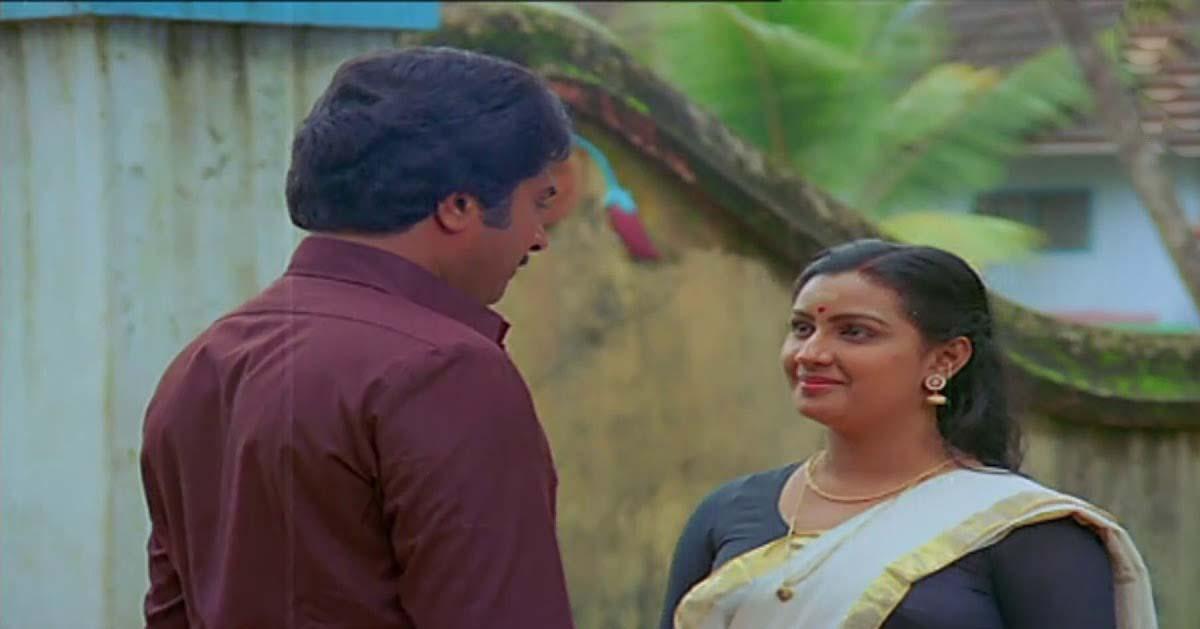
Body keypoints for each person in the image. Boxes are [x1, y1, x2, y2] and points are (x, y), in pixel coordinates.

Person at [139, 47, 577, 629]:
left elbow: (170, 613)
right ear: (458, 206)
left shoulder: (204, 362)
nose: (540, 236)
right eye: (538, 203)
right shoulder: (446, 371)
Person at [660, 239, 1157, 629]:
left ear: (946, 359)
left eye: (855, 332)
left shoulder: (1026, 532)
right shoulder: (727, 514)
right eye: (802, 328)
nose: (810, 354)